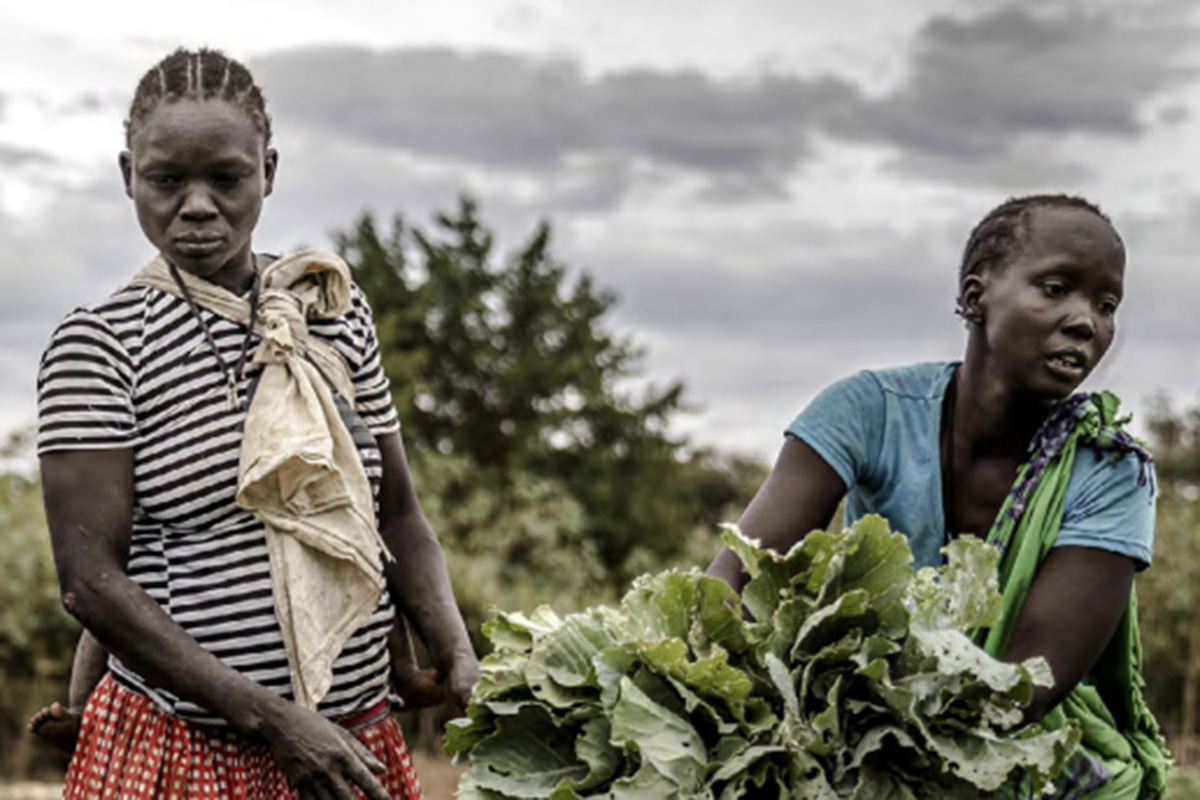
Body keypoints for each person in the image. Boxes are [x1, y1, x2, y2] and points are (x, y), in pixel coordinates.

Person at [32, 47, 479, 799]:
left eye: (228, 178)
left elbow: (396, 513)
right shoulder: (101, 343)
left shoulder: (329, 307)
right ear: (127, 177)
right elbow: (93, 584)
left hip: (351, 748)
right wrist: (275, 723)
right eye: (167, 180)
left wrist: (456, 651)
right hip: (186, 754)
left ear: (269, 170)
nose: (198, 205)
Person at [706, 194, 1170, 798]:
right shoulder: (869, 410)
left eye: (1106, 305)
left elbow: (1024, 685)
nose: (1087, 321)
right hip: (855, 725)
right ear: (976, 296)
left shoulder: (1114, 472)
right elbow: (734, 589)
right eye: (1056, 287)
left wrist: (866, 750)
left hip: (1033, 756)